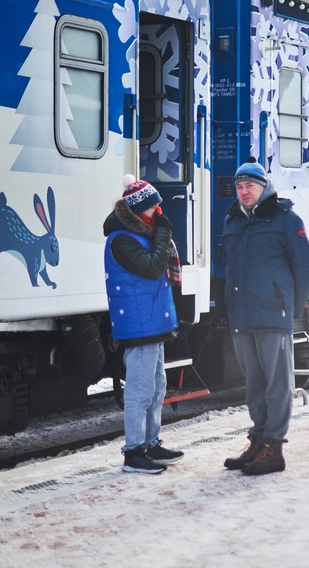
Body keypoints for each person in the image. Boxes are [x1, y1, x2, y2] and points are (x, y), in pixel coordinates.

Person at [222, 157, 309, 476]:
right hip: (243, 315)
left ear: (264, 187)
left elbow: (303, 267)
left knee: (278, 383)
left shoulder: (285, 218)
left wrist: (292, 309)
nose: (244, 191)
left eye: (249, 185)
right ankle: (259, 439)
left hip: (274, 313)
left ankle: (274, 447)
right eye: (239, 186)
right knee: (254, 384)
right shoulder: (233, 220)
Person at [103, 175, 185, 474]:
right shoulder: (121, 239)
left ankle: (150, 443)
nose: (159, 212)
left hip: (151, 322)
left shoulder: (141, 234)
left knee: (157, 386)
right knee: (140, 390)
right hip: (138, 325)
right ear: (140, 210)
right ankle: (134, 451)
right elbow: (153, 268)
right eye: (154, 208)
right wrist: (163, 232)